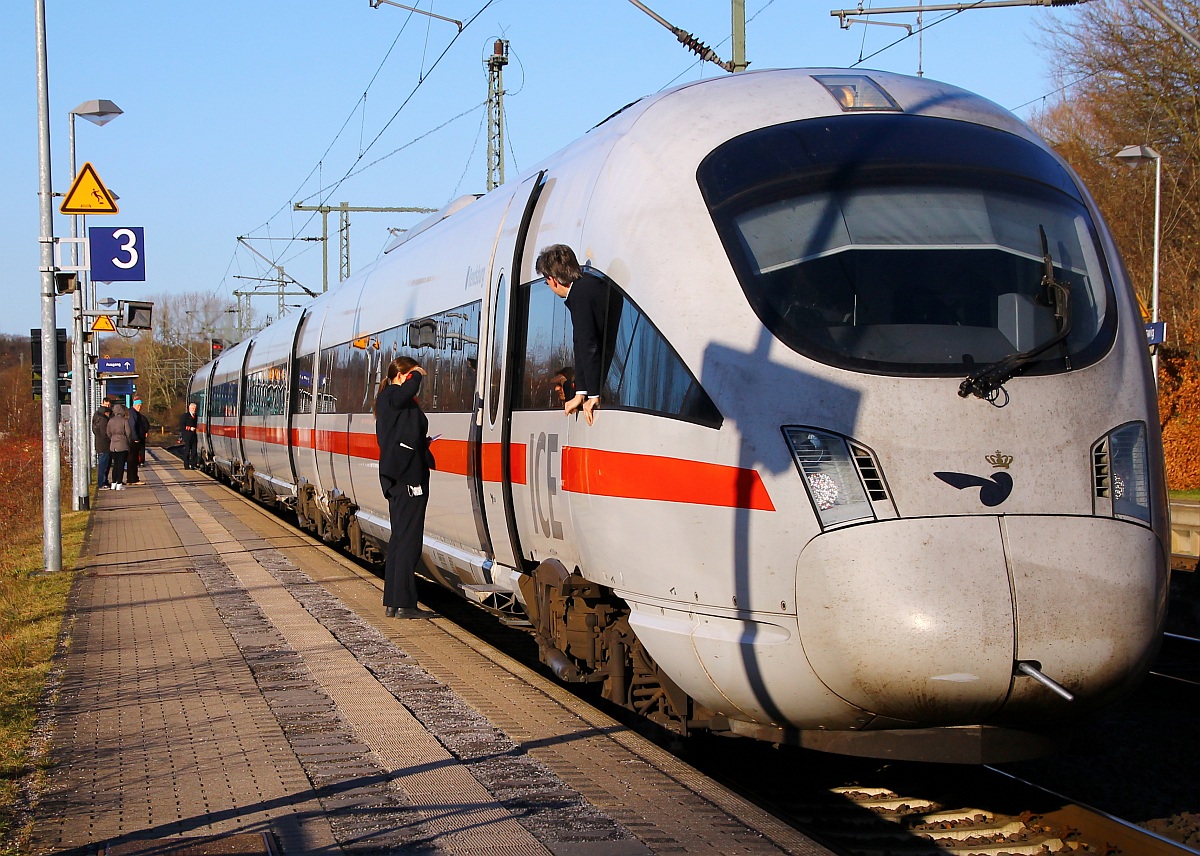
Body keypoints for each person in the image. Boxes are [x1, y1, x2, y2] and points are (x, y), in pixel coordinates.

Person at [374, 356, 435, 619]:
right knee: (409, 539)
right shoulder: (394, 394)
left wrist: (424, 443)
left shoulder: (389, 400)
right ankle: (405, 605)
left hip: (396, 475)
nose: (416, 383)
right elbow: (408, 390)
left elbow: (404, 434)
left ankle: (394, 601)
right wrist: (417, 374)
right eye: (411, 377)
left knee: (399, 538)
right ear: (402, 376)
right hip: (408, 477)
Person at [535, 244, 607, 425]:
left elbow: (588, 345)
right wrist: (581, 392)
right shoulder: (586, 288)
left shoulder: (581, 295)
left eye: (546, 282)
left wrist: (594, 396)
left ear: (553, 280)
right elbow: (580, 343)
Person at [107, 401, 133, 489]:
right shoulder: (125, 421)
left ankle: (113, 483)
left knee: (115, 465)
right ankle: (119, 484)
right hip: (122, 445)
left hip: (113, 445)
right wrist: (128, 442)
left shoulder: (110, 421)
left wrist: (113, 438)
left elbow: (108, 433)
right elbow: (128, 433)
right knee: (121, 465)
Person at [126, 399, 150, 485]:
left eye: (141, 406)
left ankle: (132, 478)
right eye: (138, 406)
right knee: (133, 459)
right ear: (134, 405)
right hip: (134, 440)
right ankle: (133, 479)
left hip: (135, 438)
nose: (140, 407)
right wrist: (136, 437)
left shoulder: (135, 413)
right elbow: (133, 425)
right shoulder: (133, 414)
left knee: (133, 459)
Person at [92, 398, 113, 490]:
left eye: (109, 405)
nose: (108, 407)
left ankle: (104, 482)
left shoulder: (97, 416)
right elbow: (104, 433)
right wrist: (110, 438)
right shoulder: (103, 419)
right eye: (106, 405)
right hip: (104, 445)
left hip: (101, 444)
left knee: (105, 464)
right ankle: (101, 483)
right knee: (103, 465)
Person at [179, 402, 199, 469]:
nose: (194, 410)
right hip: (187, 436)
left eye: (195, 408)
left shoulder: (195, 416)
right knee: (187, 451)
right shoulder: (185, 416)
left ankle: (193, 465)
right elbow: (182, 426)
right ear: (189, 408)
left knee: (194, 452)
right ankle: (186, 465)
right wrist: (189, 428)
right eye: (193, 408)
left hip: (194, 436)